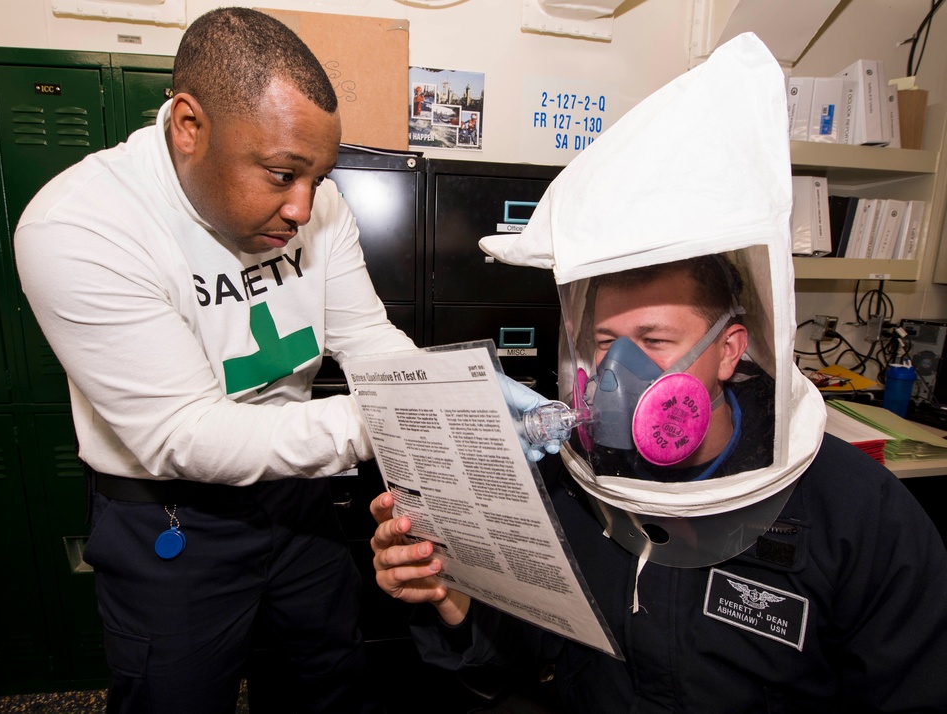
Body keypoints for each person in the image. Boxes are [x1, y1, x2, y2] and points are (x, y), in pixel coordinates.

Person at [369, 33, 947, 712]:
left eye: (655, 339)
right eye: (606, 339)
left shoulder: (860, 518)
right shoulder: (572, 489)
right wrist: (453, 593)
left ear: (731, 348)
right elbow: (517, 665)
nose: (620, 370)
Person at [14, 7, 417, 713]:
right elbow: (185, 435)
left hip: (297, 498)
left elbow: (370, 341)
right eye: (283, 174)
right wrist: (388, 419)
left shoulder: (315, 205)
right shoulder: (80, 224)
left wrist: (438, 395)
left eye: (318, 178)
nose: (303, 208)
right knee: (176, 697)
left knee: (328, 680)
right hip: (170, 518)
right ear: (189, 126)